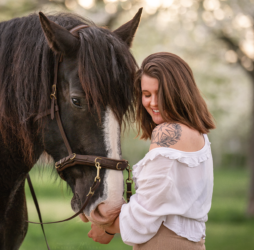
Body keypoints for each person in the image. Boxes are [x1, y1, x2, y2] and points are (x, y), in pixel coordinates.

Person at [87, 52, 216, 249]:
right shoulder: (197, 133)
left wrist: (106, 227)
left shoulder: (168, 132)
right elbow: (161, 201)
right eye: (146, 95)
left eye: (160, 94)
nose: (153, 103)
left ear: (177, 93)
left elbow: (144, 215)